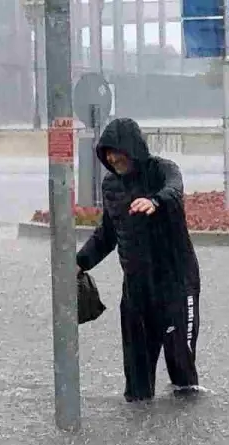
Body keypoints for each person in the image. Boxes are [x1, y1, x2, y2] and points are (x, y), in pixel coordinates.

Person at [75, 117, 203, 403]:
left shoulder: (163, 170)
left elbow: (174, 190)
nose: (112, 158)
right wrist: (79, 262)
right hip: (136, 287)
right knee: (137, 375)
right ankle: (138, 419)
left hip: (176, 282)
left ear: (132, 148)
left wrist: (154, 202)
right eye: (106, 153)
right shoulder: (111, 185)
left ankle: (188, 421)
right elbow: (108, 234)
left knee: (180, 363)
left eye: (116, 151)